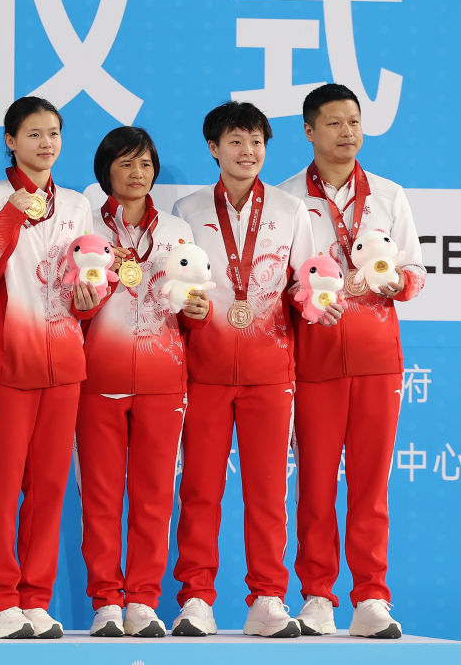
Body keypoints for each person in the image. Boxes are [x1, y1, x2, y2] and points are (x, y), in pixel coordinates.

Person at [277, 83, 425, 639]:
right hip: (313, 361)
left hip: (377, 360)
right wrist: (309, 300)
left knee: (370, 485)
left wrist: (393, 280)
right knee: (315, 485)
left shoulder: (389, 194)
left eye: (355, 122)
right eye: (335, 123)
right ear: (309, 131)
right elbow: (282, 281)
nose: (348, 133)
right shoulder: (287, 200)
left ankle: (371, 598)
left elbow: (416, 273)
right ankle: (317, 595)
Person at [171, 101, 323, 638]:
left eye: (257, 141)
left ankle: (267, 597)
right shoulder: (187, 210)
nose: (248, 151)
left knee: (267, 493)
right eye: (236, 141)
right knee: (200, 490)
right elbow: (174, 287)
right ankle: (196, 598)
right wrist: (185, 308)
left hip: (270, 371)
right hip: (203, 370)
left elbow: (306, 281)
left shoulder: (290, 209)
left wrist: (317, 298)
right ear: (214, 148)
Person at [0, 96, 101, 639]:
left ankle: (35, 599)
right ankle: (0, 602)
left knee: (48, 488)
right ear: (11, 140)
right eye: (34, 134)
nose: (46, 144)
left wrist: (90, 298)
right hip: (8, 366)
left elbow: (86, 282)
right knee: (0, 490)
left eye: (54, 134)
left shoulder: (77, 205)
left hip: (65, 365)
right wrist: (11, 216)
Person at [76, 126, 209, 638]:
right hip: (98, 379)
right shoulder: (85, 226)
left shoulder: (176, 230)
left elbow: (192, 302)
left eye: (146, 164)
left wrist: (198, 311)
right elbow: (66, 299)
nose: (138, 173)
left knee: (154, 497)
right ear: (106, 170)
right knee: (101, 500)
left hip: (163, 380)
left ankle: (143, 601)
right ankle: (106, 602)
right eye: (127, 163)